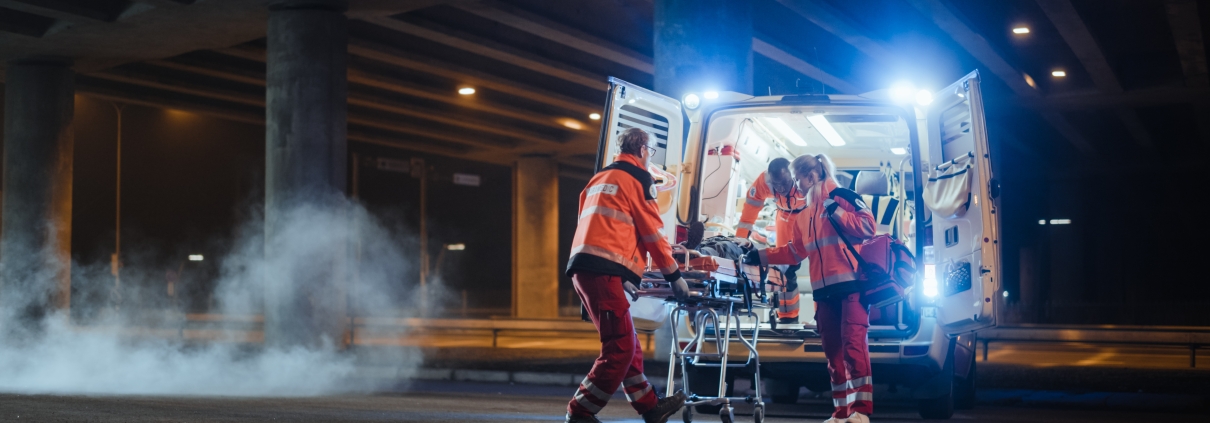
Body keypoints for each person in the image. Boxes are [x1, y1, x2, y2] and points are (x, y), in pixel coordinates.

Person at [564, 127, 689, 423]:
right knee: (619, 347)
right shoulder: (638, 179)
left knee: (627, 343)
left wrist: (623, 272)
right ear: (643, 150)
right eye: (651, 152)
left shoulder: (599, 178)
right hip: (602, 272)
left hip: (586, 267)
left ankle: (650, 406)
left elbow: (599, 227)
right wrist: (674, 276)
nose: (651, 158)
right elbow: (652, 233)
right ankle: (579, 411)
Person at [747, 154, 877, 423]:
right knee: (833, 355)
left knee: (854, 347)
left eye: (797, 180)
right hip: (824, 293)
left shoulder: (843, 196)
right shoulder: (804, 214)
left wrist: (836, 211)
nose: (795, 186)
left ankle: (861, 412)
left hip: (851, 287)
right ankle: (841, 413)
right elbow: (794, 252)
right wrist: (760, 255)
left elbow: (868, 227)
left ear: (811, 176)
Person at [735, 157, 806, 324]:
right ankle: (788, 318)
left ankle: (822, 317)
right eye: (777, 184)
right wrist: (740, 239)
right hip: (785, 218)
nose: (780, 189)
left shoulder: (804, 178)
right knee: (785, 267)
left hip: (808, 214)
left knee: (819, 267)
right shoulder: (764, 182)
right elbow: (750, 208)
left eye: (785, 183)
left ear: (793, 176)